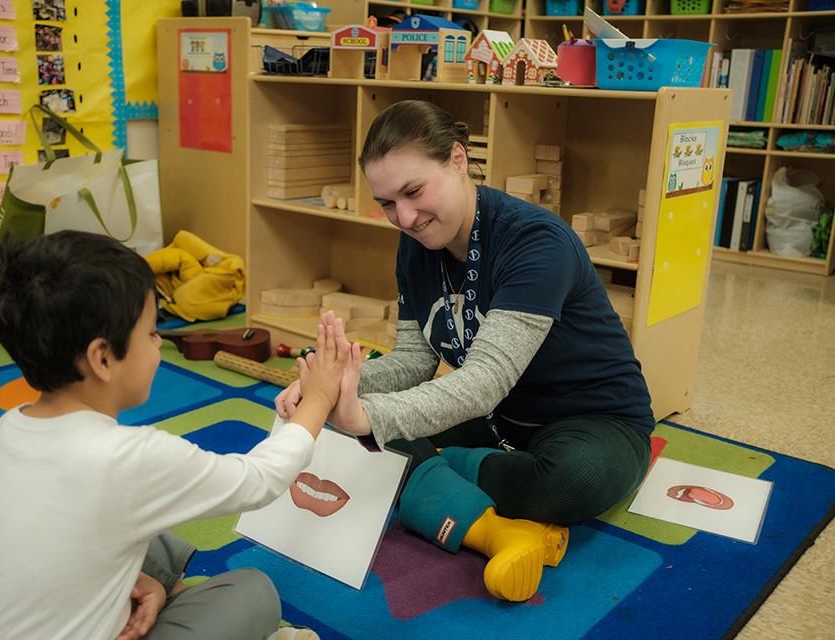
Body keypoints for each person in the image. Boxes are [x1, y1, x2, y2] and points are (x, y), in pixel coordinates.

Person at [276, 100, 654, 603]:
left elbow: (482, 382)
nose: (404, 217)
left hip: (595, 420)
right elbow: (414, 361)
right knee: (354, 429)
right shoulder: (417, 243)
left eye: (413, 191)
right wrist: (330, 387)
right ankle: (472, 496)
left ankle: (444, 468)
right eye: (387, 203)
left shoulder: (536, 241)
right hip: (500, 421)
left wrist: (366, 414)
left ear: (457, 159)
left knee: (568, 486)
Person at [0, 230, 355, 640]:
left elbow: (38, 540)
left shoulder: (10, 427)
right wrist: (318, 398)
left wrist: (135, 579)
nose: (159, 343)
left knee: (142, 523)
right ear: (103, 358)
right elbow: (259, 480)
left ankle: (164, 593)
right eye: (151, 332)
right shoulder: (130, 457)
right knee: (252, 593)